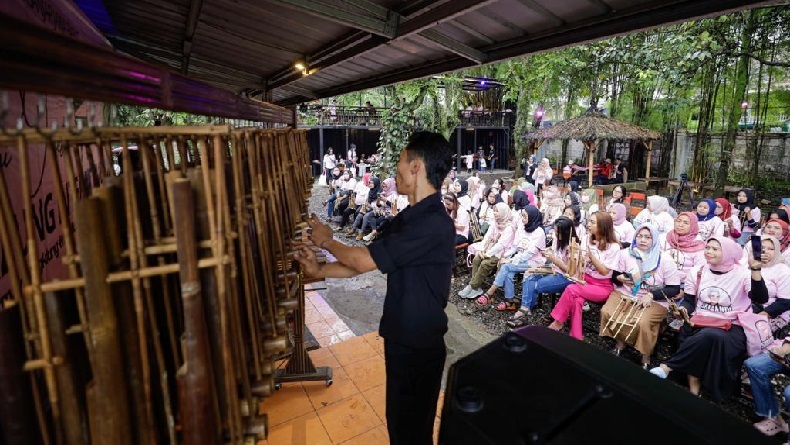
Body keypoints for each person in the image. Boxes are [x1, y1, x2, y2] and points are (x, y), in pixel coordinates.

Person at [293, 131, 454, 445]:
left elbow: (362, 260)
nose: (396, 169)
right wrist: (319, 270)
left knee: (411, 432)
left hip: (419, 345)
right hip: (401, 340)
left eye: (400, 161)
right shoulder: (409, 219)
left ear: (416, 166)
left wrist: (327, 241)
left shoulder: (433, 224)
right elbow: (366, 260)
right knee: (400, 424)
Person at [649, 237, 768, 401]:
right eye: (708, 248)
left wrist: (755, 269)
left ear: (727, 253)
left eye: (715, 249)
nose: (709, 252)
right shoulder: (697, 271)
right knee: (697, 335)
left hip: (732, 325)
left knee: (710, 335)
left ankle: (668, 366)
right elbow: (689, 302)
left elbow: (760, 298)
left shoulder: (743, 274)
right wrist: (683, 310)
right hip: (700, 320)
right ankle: (693, 391)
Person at [601, 225, 681, 368]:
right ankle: (620, 342)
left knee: (642, 322)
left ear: (654, 239)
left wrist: (651, 294)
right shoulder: (625, 253)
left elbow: (674, 288)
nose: (643, 240)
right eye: (640, 236)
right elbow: (614, 275)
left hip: (655, 299)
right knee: (607, 312)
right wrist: (619, 278)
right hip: (626, 292)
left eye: (648, 237)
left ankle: (645, 355)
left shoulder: (664, 259)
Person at [548, 211, 621, 340]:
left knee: (571, 289)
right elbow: (579, 262)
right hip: (584, 279)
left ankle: (557, 322)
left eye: (592, 222)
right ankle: (576, 336)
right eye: (589, 221)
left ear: (602, 226)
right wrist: (574, 255)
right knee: (577, 300)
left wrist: (591, 257)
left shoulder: (614, 247)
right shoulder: (587, 238)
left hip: (602, 286)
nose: (588, 224)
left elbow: (605, 272)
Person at [508, 216, 579, 328]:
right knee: (528, 274)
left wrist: (553, 258)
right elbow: (555, 253)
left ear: (565, 233)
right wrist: (547, 251)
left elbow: (570, 271)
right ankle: (525, 308)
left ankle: (526, 310)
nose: (555, 234)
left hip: (566, 277)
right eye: (555, 231)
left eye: (558, 232)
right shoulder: (558, 239)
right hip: (554, 269)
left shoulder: (573, 247)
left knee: (535, 285)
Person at [474, 206, 546, 309]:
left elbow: (528, 254)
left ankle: (489, 293)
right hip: (519, 260)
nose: (522, 219)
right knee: (508, 273)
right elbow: (514, 247)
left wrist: (510, 260)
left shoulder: (539, 232)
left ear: (532, 217)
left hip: (533, 262)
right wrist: (505, 256)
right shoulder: (522, 228)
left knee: (506, 266)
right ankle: (510, 300)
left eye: (525, 216)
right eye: (522, 216)